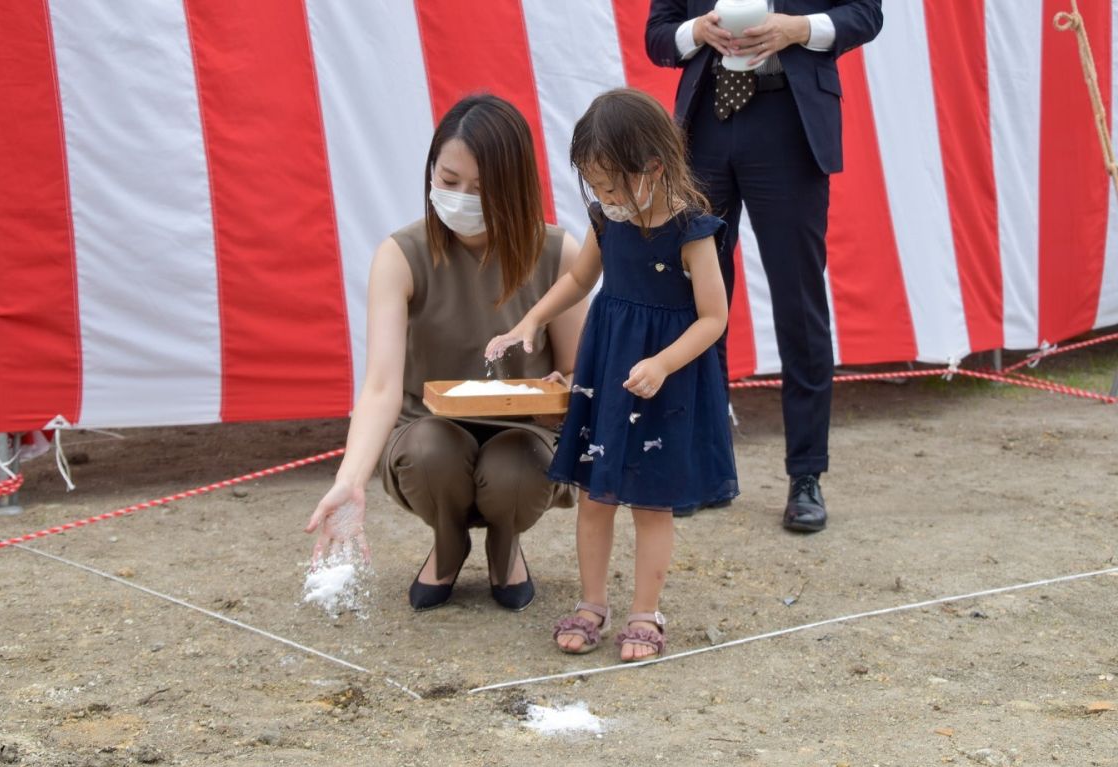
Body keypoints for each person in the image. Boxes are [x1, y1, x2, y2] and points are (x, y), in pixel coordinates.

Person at [306, 94, 587, 612]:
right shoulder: (401, 255)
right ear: (430, 172)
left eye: (483, 188)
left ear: (517, 186)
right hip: (426, 428)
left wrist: (560, 390)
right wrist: (350, 481)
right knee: (432, 452)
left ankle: (506, 543)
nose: (461, 197)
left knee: (517, 468)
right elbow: (382, 386)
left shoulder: (558, 253)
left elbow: (577, 370)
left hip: (525, 431)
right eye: (449, 180)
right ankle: (448, 539)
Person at [486, 89, 738, 662]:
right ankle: (592, 602)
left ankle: (645, 612)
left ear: (652, 166)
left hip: (662, 380)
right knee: (595, 497)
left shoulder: (693, 233)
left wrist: (663, 362)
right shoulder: (608, 221)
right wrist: (531, 318)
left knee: (652, 503)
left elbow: (714, 319)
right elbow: (577, 282)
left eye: (610, 185)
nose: (603, 198)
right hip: (608, 372)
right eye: (594, 187)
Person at [646, 0, 883, 532]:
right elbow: (657, 35)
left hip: (790, 125)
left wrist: (799, 29)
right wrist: (696, 31)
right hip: (704, 127)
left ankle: (806, 475)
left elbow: (867, 13)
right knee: (697, 302)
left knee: (798, 301)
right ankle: (705, 468)